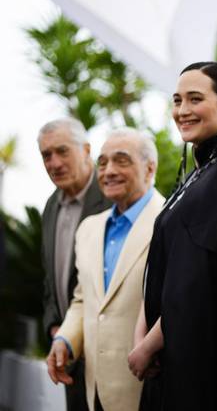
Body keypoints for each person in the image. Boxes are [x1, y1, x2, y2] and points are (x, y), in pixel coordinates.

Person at [129, 61, 217, 411]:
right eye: (177, 100)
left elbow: (197, 284)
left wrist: (147, 346)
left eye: (195, 99)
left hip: (198, 363)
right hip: (171, 355)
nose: (182, 111)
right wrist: (145, 337)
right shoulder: (203, 171)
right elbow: (164, 269)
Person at [46, 128, 165, 411]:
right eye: (102, 162)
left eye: (121, 160)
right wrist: (65, 339)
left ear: (150, 168)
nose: (108, 171)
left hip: (148, 388)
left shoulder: (169, 221)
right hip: (93, 391)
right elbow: (83, 299)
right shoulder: (89, 228)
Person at [39, 118, 112, 411]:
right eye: (46, 155)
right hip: (67, 357)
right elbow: (49, 281)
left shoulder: (112, 199)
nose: (54, 163)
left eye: (62, 151)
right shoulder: (50, 206)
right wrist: (55, 327)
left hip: (108, 358)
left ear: (86, 150)